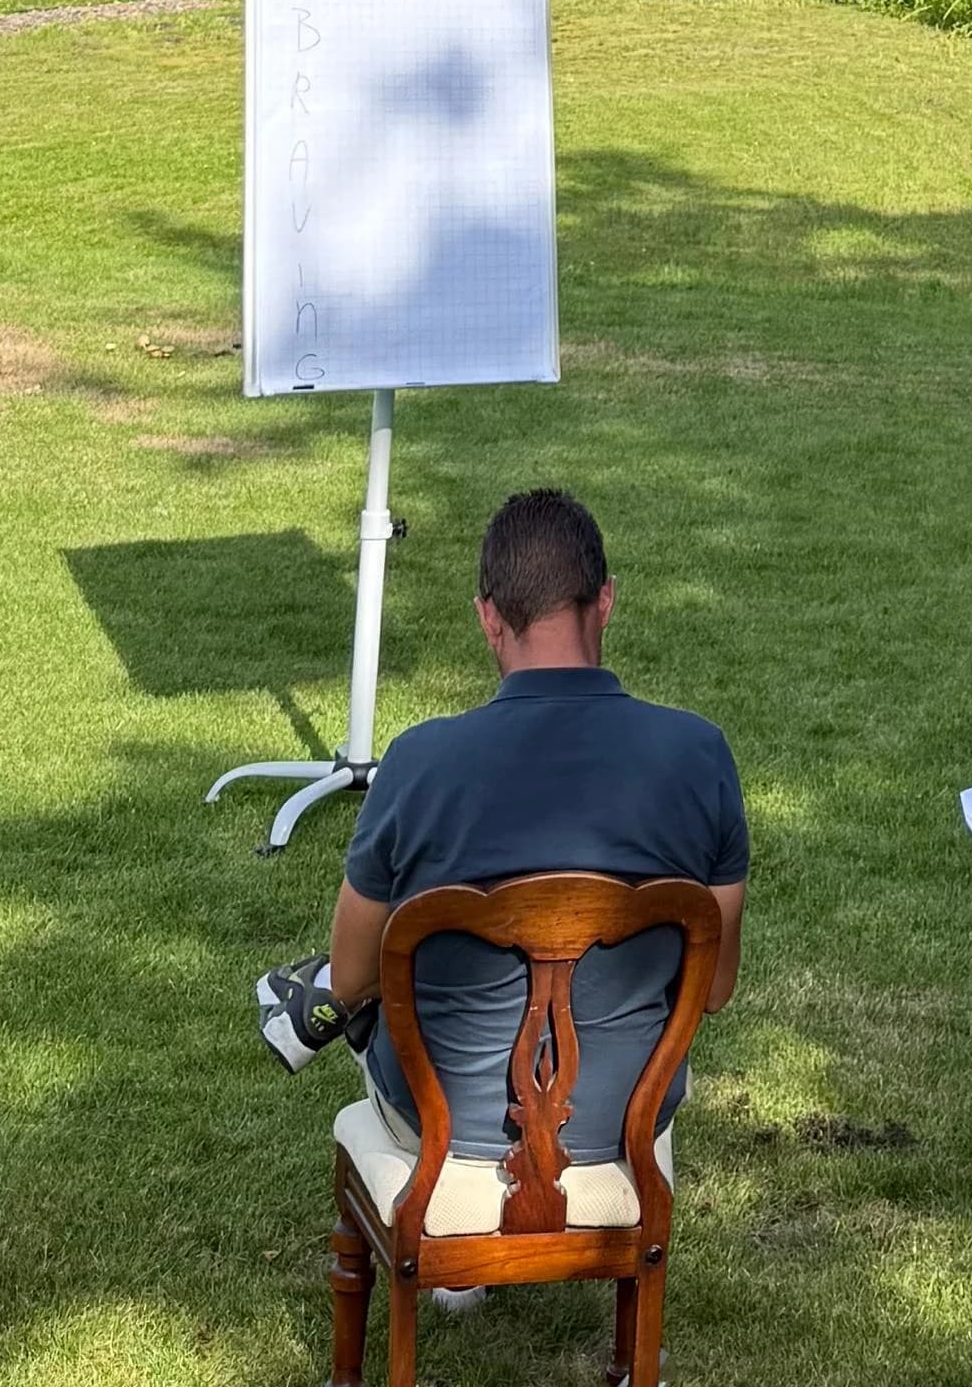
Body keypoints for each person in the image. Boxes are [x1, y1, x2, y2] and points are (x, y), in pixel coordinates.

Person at [296, 490, 746, 1206]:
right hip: (625, 1118)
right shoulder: (700, 755)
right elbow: (714, 989)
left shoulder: (420, 762)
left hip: (442, 1126)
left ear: (487, 617)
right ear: (606, 602)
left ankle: (451, 1243)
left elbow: (349, 979)